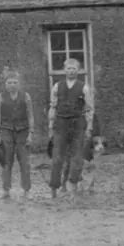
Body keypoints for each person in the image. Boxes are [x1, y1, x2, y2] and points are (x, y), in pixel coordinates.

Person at [48, 58, 94, 199]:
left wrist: (89, 127)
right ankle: (54, 188)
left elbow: (89, 108)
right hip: (61, 123)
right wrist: (50, 126)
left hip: (77, 123)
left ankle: (73, 186)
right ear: (64, 70)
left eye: (74, 68)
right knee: (57, 157)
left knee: (77, 157)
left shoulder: (84, 87)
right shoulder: (57, 86)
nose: (71, 71)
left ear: (78, 70)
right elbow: (53, 106)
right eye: (68, 68)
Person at [0, 70, 34, 201]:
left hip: (23, 131)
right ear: (5, 84)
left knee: (25, 162)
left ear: (19, 84)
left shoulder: (26, 96)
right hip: (6, 130)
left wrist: (31, 133)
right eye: (9, 82)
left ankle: (27, 190)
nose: (12, 85)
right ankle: (6, 190)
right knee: (6, 161)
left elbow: (30, 115)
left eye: (15, 82)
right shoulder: (0, 97)